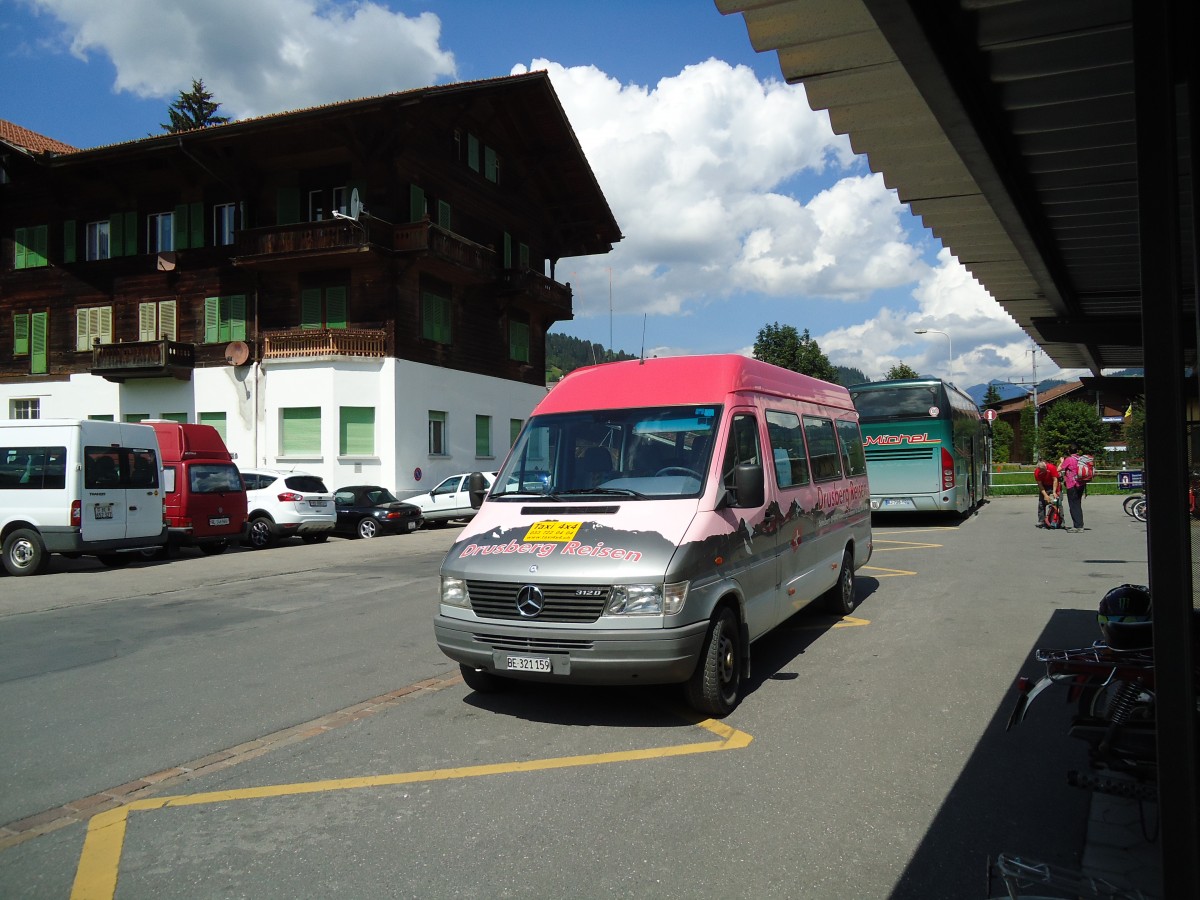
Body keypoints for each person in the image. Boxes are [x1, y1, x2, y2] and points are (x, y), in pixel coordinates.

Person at [1059, 444, 1086, 532]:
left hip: (1072, 484)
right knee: (1078, 504)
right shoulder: (1081, 459)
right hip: (1081, 484)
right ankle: (1080, 524)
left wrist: (1061, 461)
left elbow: (1059, 469)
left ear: (1069, 451)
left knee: (1073, 505)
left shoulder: (1069, 459)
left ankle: (1077, 526)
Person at [1034, 457, 1059, 528]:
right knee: (1041, 503)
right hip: (1044, 486)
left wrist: (1054, 492)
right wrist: (1045, 495)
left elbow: (1055, 480)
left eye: (1044, 469)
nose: (1043, 471)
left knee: (1057, 503)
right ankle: (1041, 521)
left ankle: (1059, 521)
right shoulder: (1037, 472)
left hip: (1053, 484)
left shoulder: (1051, 467)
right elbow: (1040, 485)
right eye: (1041, 470)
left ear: (1046, 466)